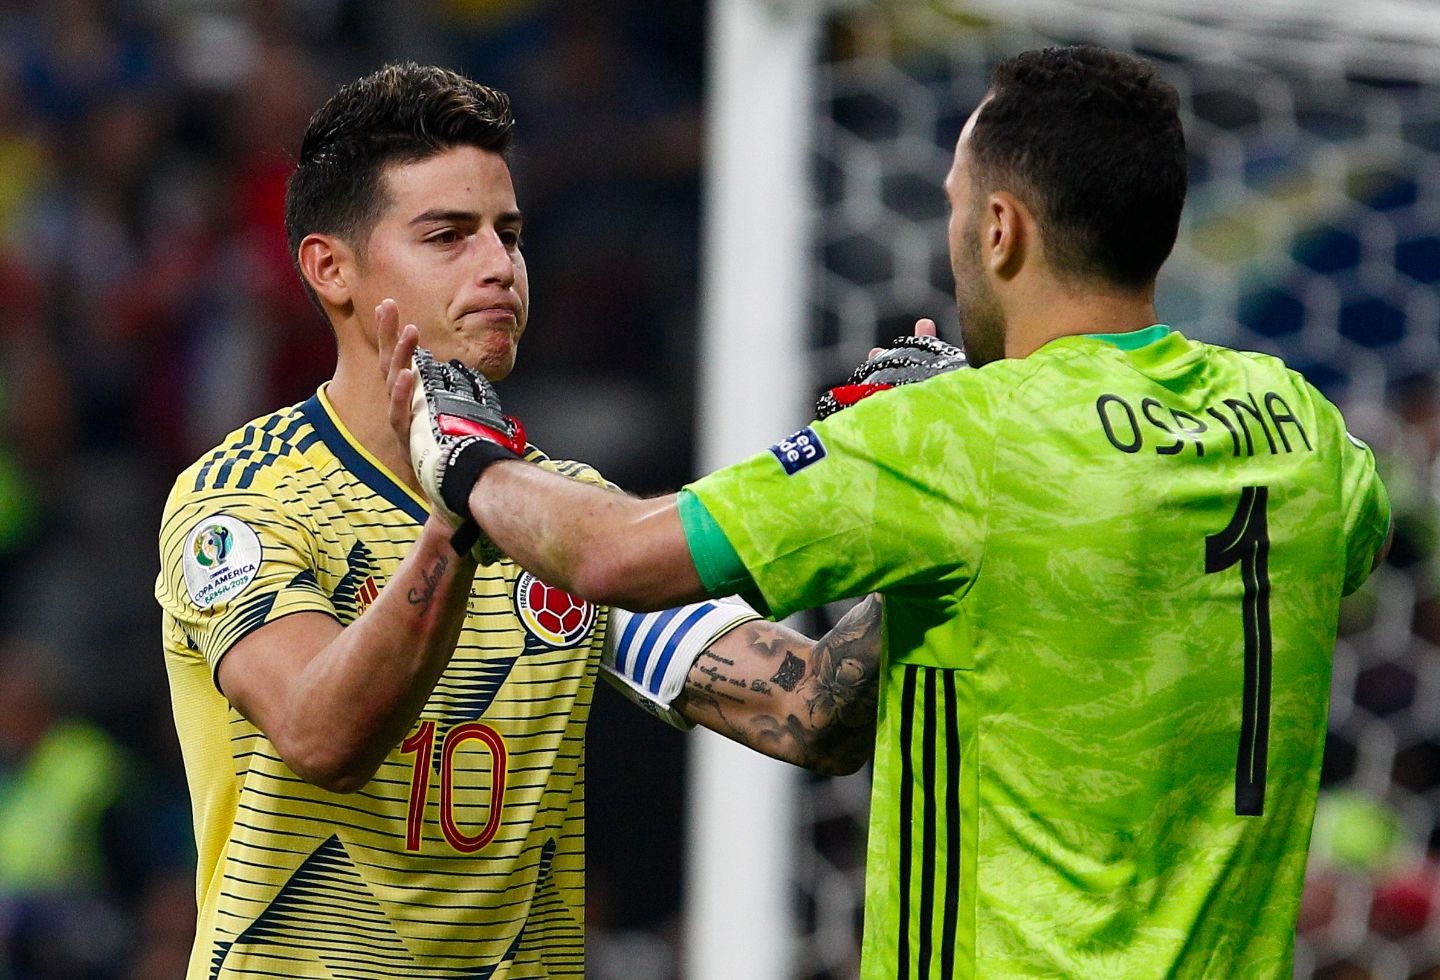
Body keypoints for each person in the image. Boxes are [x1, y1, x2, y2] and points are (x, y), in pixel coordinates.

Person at [388, 45, 1394, 977]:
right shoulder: (1299, 427)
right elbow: (1290, 538)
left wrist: (468, 454)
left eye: (958, 205)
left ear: (1000, 228)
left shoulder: (962, 437)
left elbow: (612, 554)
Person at [155, 62, 882, 979]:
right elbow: (320, 734)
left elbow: (811, 713)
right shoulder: (241, 499)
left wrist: (901, 494)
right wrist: (461, 512)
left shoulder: (563, 515)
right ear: (330, 269)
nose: (499, 266)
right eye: (448, 236)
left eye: (509, 234)